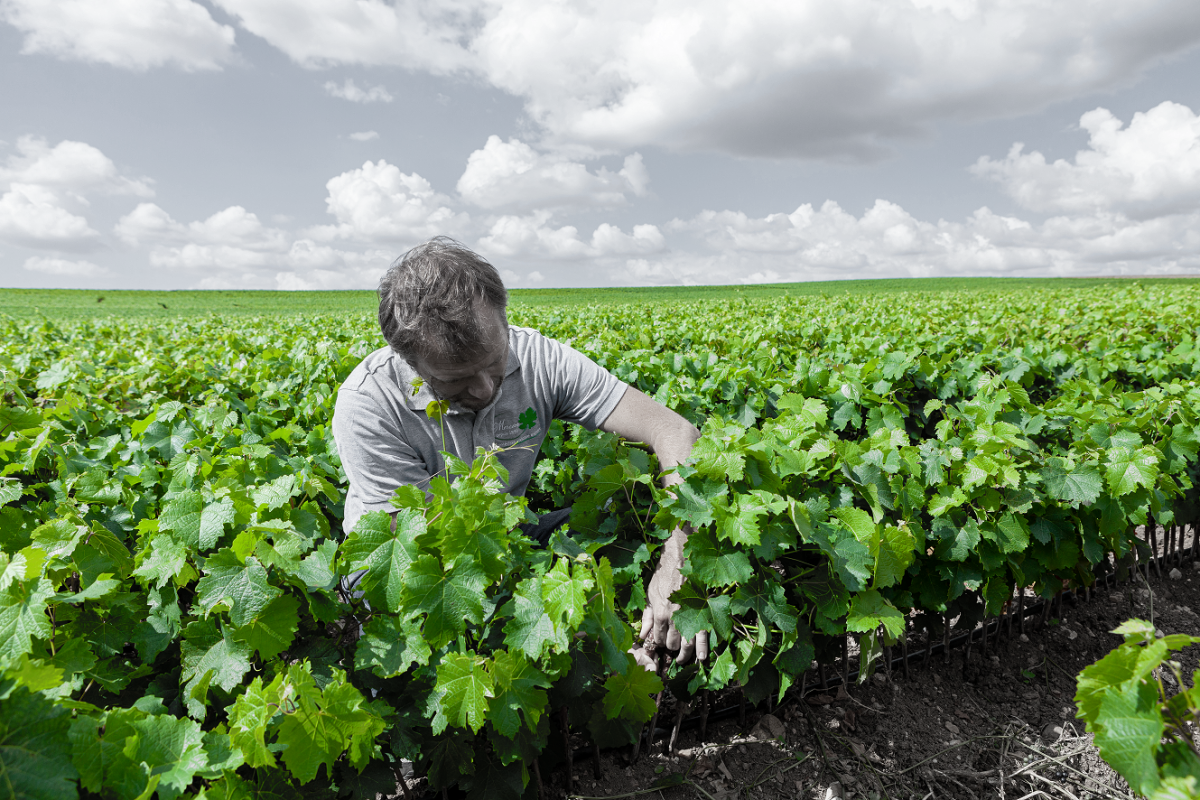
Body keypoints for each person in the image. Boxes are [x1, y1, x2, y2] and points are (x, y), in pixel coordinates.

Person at [332, 236, 707, 666]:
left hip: (507, 539)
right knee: (406, 669)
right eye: (455, 380)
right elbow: (429, 554)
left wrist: (680, 559)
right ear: (411, 364)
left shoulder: (539, 358)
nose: (486, 389)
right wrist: (558, 627)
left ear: (504, 322)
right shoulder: (368, 404)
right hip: (407, 566)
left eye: (494, 364)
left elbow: (674, 431)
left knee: (619, 516)